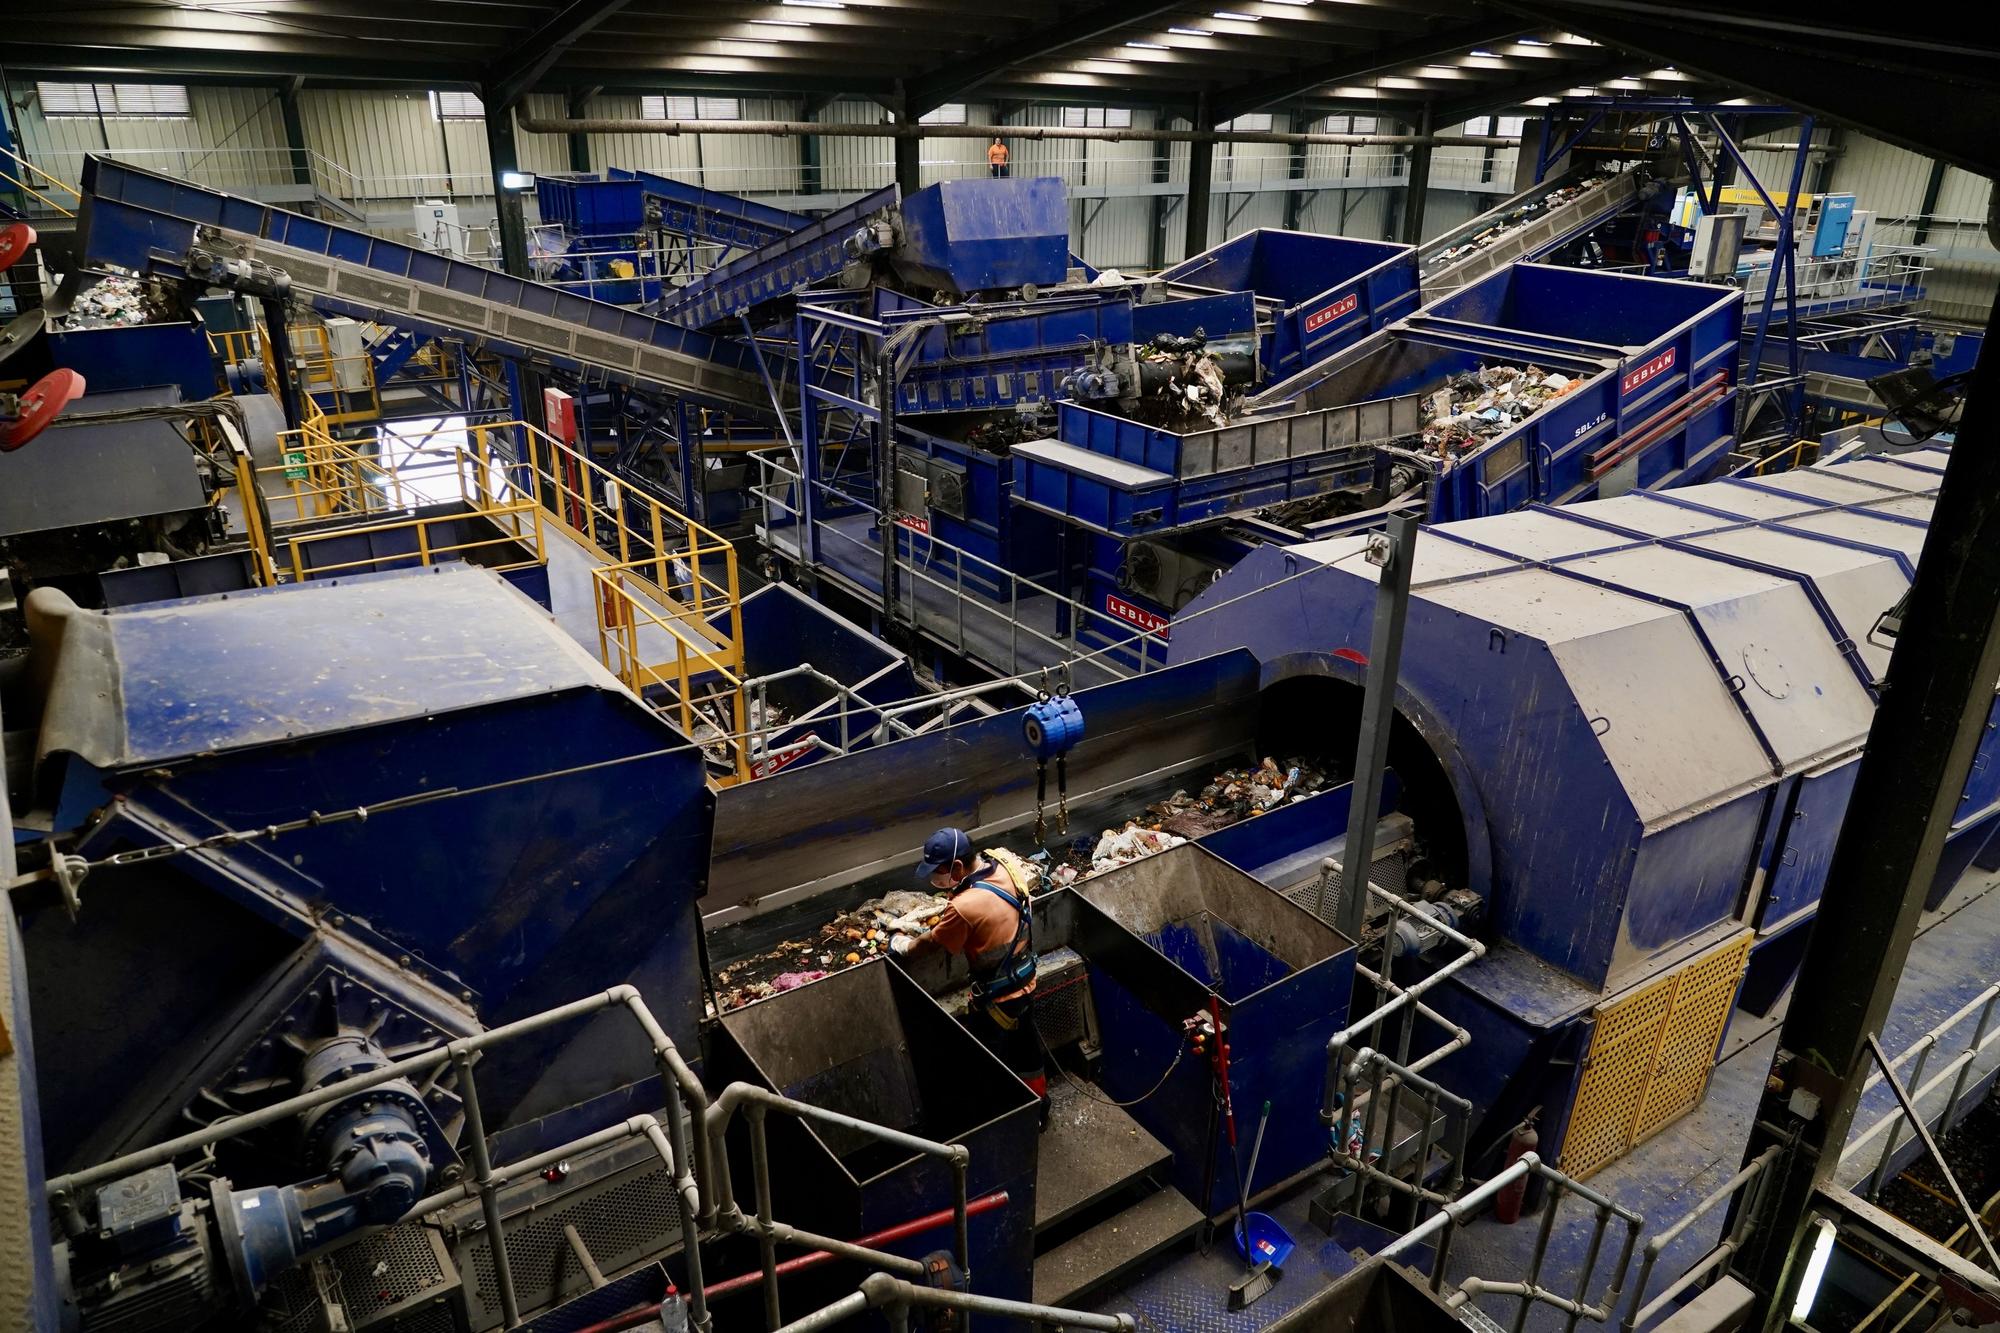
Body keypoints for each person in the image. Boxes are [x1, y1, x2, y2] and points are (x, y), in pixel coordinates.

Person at [893, 827, 1047, 1116]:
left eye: (938, 872)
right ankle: (1039, 1111)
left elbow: (933, 942)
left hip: (998, 999)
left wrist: (903, 945)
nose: (934, 879)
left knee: (985, 1062)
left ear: (958, 866)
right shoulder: (1004, 866)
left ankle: (998, 1119)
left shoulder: (963, 907)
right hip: (1027, 979)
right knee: (1028, 1053)